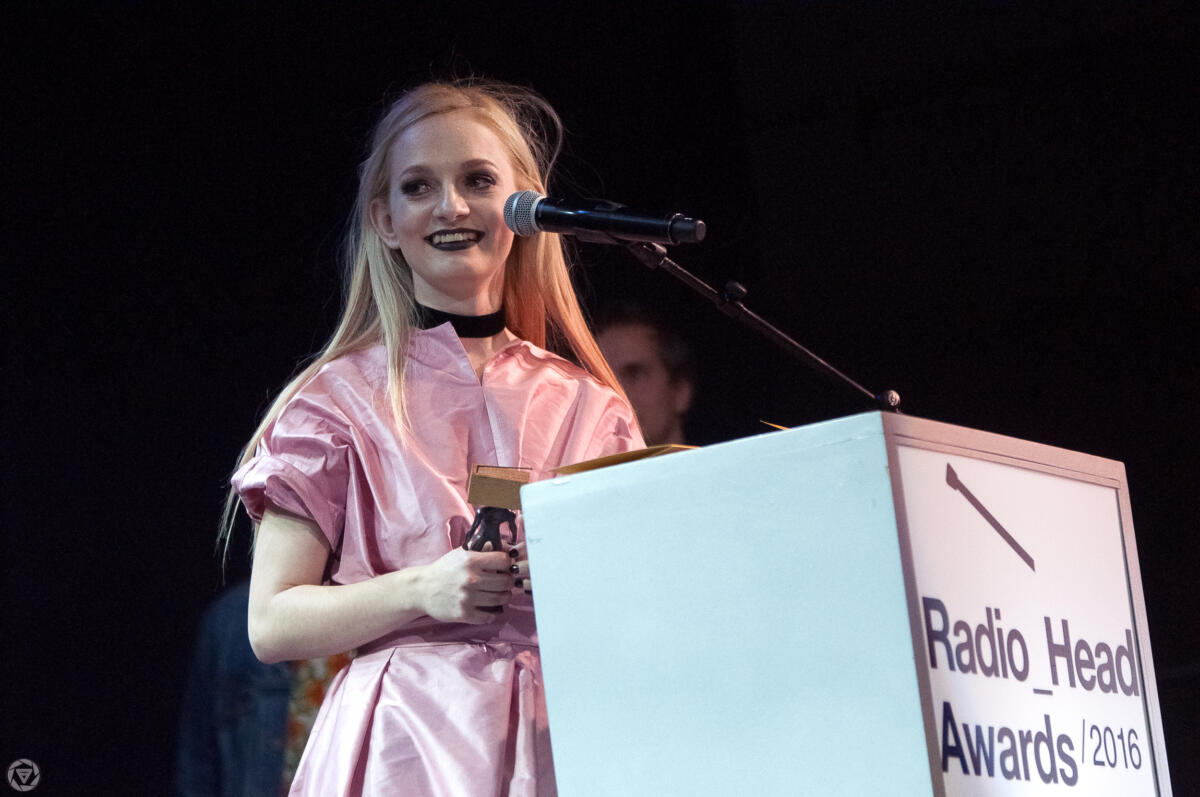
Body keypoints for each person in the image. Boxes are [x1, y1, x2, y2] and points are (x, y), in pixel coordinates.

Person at [223, 79, 643, 796]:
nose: (451, 206)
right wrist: (423, 587)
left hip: (564, 736)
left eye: (478, 180)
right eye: (419, 187)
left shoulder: (590, 405)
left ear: (524, 206)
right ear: (385, 220)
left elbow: (640, 596)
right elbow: (271, 621)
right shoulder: (334, 403)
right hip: (404, 741)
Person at [596, 303, 696, 446]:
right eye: (600, 378)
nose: (615, 392)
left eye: (634, 374)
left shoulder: (726, 460)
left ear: (681, 391)